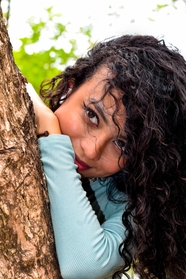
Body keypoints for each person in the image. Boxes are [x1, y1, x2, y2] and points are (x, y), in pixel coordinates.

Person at [27, 34, 186, 279]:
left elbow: (84, 266)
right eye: (91, 115)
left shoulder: (136, 205)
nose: (92, 150)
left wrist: (50, 132)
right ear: (71, 87)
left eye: (122, 144)